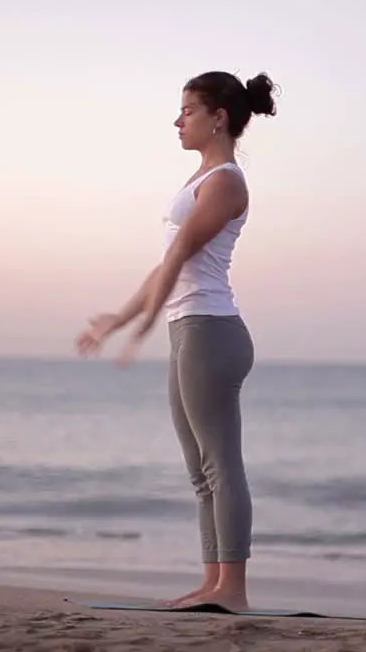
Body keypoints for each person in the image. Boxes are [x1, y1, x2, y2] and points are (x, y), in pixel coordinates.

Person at [74, 69, 278, 612]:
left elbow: (185, 249)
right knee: (199, 470)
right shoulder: (195, 182)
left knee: (220, 463)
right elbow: (167, 263)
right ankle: (213, 583)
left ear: (219, 118)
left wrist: (141, 327)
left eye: (187, 110)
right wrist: (119, 318)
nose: (178, 120)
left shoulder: (227, 182)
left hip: (212, 330)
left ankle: (233, 590)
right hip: (188, 329)